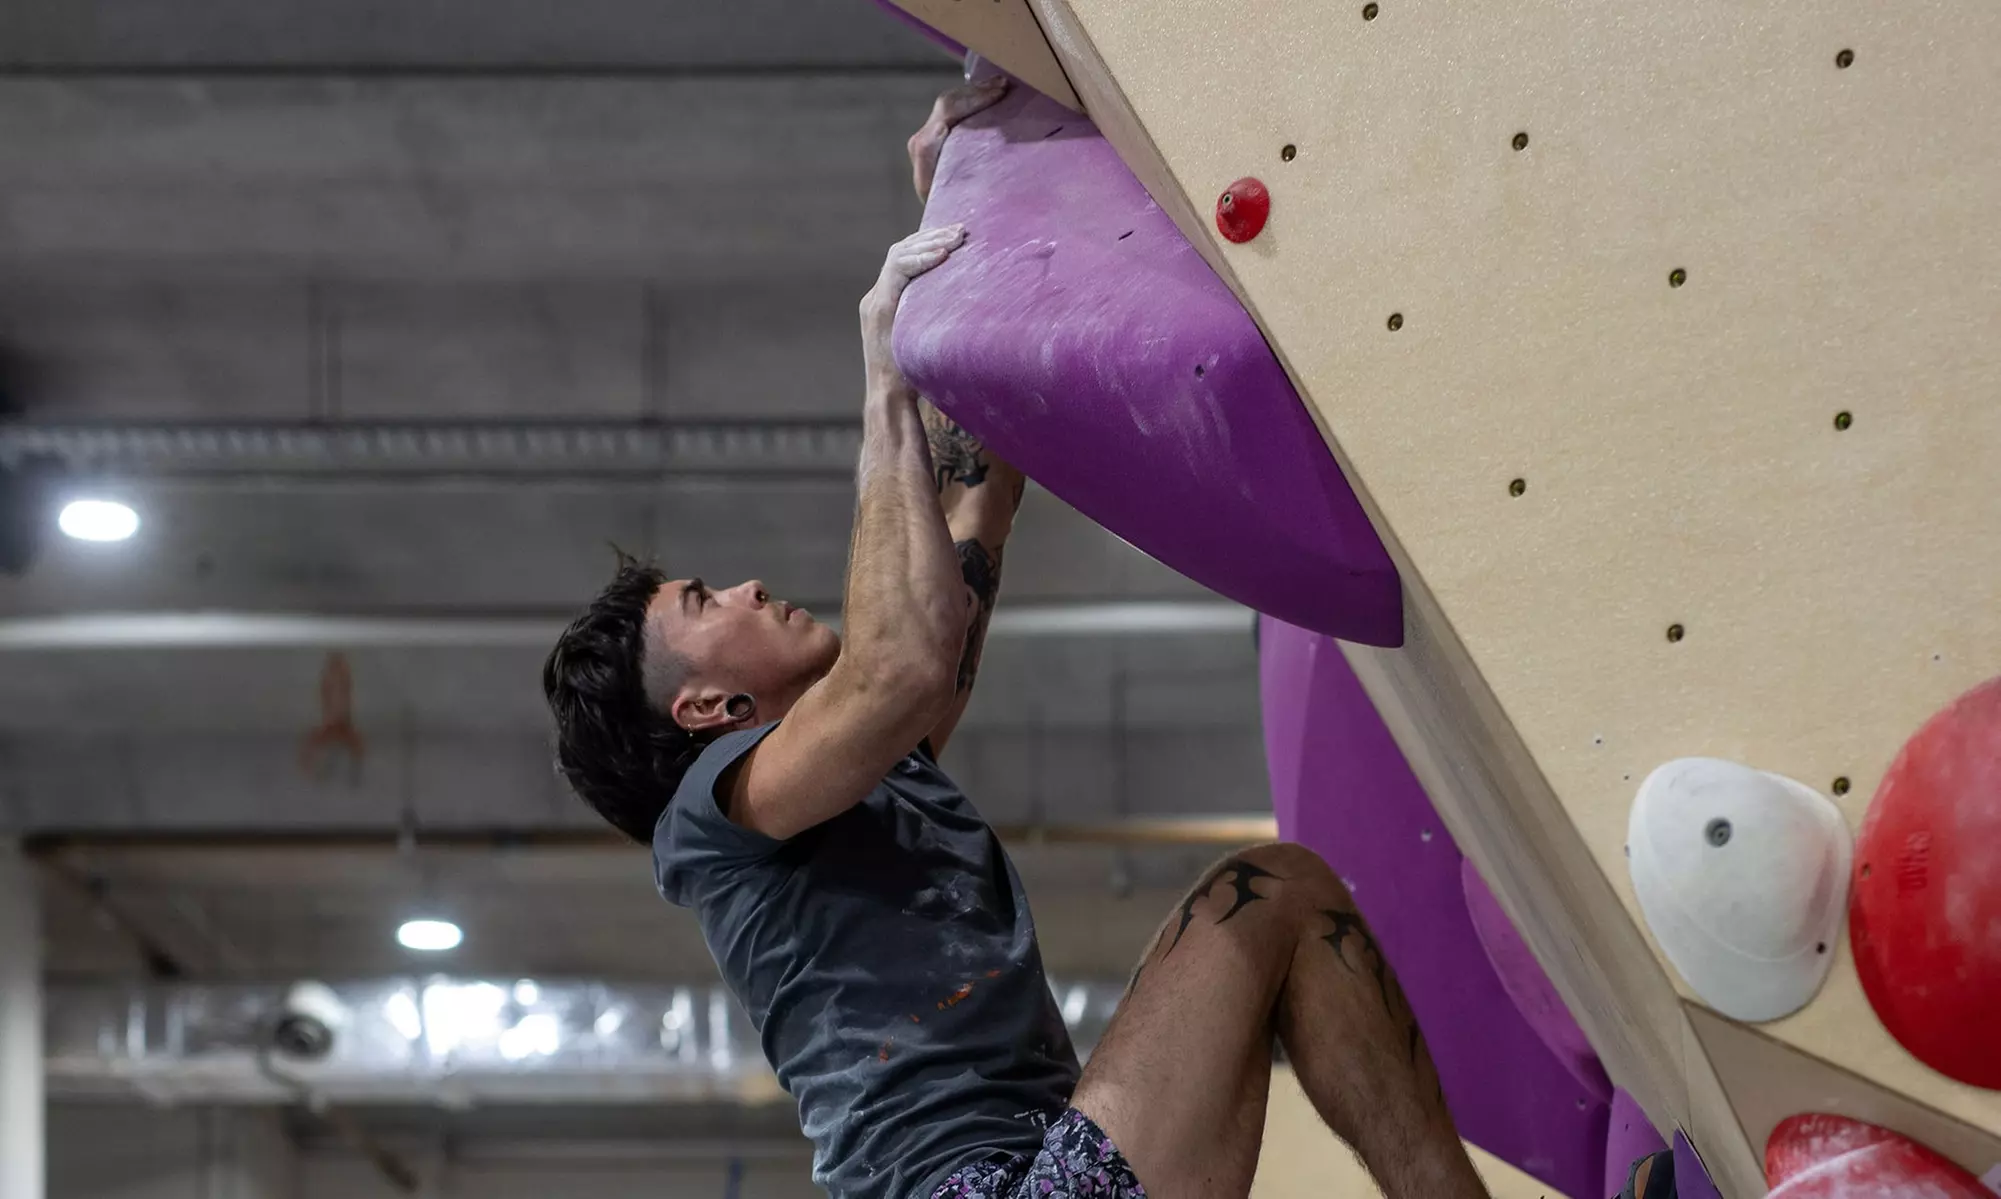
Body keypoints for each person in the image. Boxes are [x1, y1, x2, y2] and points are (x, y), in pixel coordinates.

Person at [543, 77, 1493, 1199]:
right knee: (1271, 891)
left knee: (1291, 904)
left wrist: (972, 208)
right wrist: (883, 384)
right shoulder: (719, 816)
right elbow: (900, 661)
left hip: (1035, 1170)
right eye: (709, 601)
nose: (749, 584)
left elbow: (972, 507)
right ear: (703, 710)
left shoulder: (878, 771)